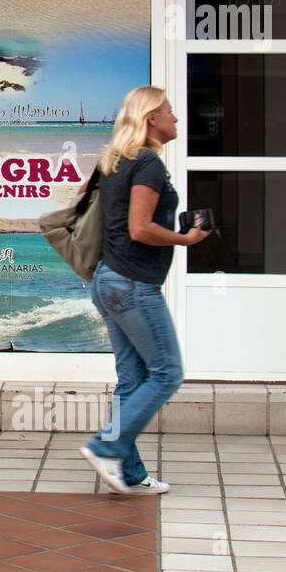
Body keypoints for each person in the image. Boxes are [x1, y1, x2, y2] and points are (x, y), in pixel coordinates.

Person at [79, 86, 210, 495]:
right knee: (167, 372)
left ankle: (130, 474)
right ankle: (106, 446)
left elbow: (84, 204)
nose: (176, 118)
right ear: (151, 118)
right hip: (133, 283)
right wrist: (185, 239)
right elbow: (139, 228)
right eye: (169, 112)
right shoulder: (148, 163)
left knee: (132, 381)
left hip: (108, 279)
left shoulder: (114, 160)